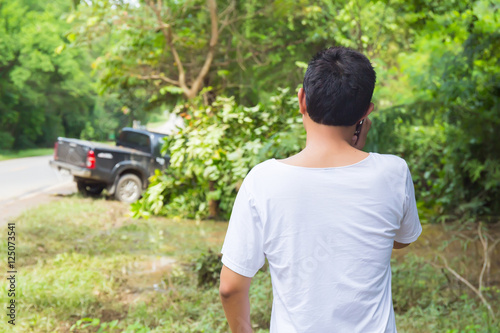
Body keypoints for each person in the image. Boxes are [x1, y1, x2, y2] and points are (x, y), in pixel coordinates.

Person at [219, 46, 422, 333]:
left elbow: (230, 287)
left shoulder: (262, 181)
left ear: (302, 99)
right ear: (366, 112)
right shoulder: (393, 173)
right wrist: (354, 159)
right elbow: (399, 239)